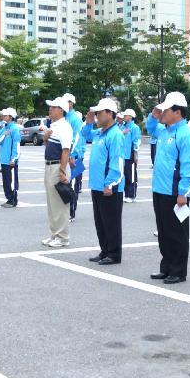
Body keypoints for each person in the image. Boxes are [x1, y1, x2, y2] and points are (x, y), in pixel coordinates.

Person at [145, 92, 190, 284]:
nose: (163, 113)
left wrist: (183, 193)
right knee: (164, 231)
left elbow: (189, 167)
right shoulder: (164, 131)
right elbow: (150, 127)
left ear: (177, 112)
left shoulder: (186, 135)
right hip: (160, 189)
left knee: (177, 233)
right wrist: (154, 113)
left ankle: (178, 270)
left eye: (166, 109)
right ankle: (166, 266)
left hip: (175, 192)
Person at [81, 98, 126, 264]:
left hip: (109, 186)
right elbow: (85, 134)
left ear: (109, 113)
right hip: (97, 184)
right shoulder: (100, 132)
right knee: (100, 221)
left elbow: (117, 161)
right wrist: (88, 122)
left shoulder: (115, 134)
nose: (97, 116)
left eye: (99, 113)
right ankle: (105, 250)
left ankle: (114, 254)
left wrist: (110, 183)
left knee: (111, 221)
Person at [39, 97, 74, 248]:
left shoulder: (65, 127)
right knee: (52, 203)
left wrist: (62, 171)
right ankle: (55, 234)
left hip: (58, 166)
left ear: (61, 110)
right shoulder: (54, 126)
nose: (50, 109)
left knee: (59, 204)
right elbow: (50, 145)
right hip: (50, 166)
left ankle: (62, 237)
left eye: (53, 107)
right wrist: (45, 138)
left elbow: (66, 150)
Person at [61, 94, 84, 221]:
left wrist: (73, 155)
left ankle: (71, 213)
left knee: (72, 186)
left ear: (71, 103)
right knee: (64, 184)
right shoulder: (64, 117)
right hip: (64, 156)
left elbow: (77, 139)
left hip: (74, 157)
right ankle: (65, 211)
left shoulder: (75, 119)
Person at [0, 107, 21, 207]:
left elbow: (17, 145)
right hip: (4, 159)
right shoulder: (4, 127)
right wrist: (4, 135)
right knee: (6, 181)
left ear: (10, 117)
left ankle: (13, 200)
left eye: (5, 115)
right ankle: (8, 199)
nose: (3, 116)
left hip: (11, 161)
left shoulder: (14, 128)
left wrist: (13, 158)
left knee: (11, 182)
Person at [121, 109, 141, 202]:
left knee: (131, 175)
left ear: (130, 116)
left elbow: (136, 141)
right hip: (123, 155)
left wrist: (135, 154)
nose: (124, 117)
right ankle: (126, 194)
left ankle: (132, 195)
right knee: (124, 175)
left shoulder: (134, 127)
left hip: (130, 155)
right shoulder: (123, 126)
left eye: (125, 115)